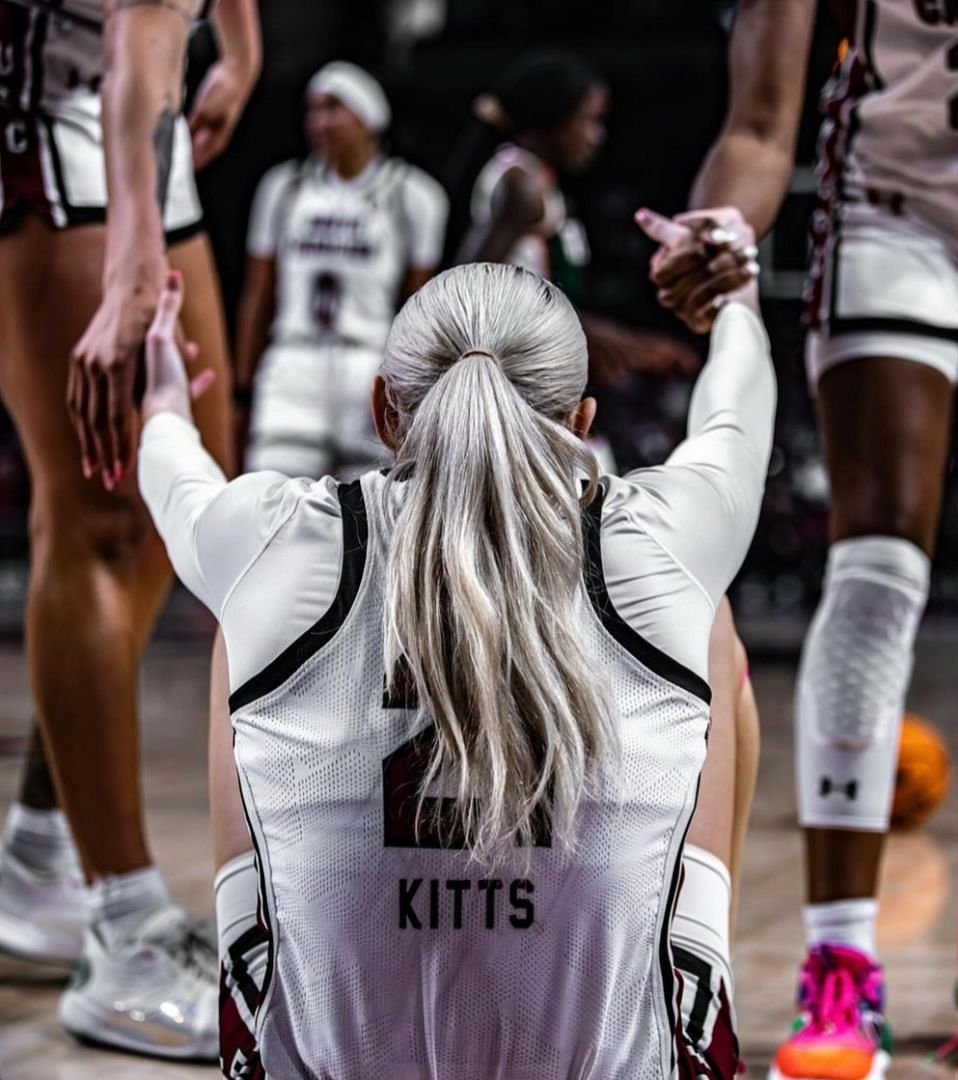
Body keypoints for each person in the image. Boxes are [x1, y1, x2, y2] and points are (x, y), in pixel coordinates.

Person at [138, 247, 773, 1075]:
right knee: (707, 623)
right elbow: (736, 412)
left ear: (384, 412)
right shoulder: (663, 539)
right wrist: (738, 302)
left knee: (245, 630)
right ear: (582, 423)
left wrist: (159, 399)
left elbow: (173, 474)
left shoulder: (274, 537)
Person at [650, 1, 958, 1074]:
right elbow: (760, 121)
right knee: (878, 573)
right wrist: (722, 229)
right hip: (900, 210)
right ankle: (841, 968)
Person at [0, 0, 257, 1059]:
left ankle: (39, 845)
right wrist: (132, 270)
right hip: (48, 109)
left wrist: (238, 42)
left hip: (136, 106)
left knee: (189, 490)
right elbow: (136, 25)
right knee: (101, 510)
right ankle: (124, 931)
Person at [234, 62, 448, 478]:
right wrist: (241, 390)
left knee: (371, 512)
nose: (317, 122)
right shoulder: (283, 188)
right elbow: (257, 294)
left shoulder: (413, 194)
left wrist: (413, 391)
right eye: (312, 110)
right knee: (270, 497)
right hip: (294, 359)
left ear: (369, 118)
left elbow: (418, 304)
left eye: (332, 108)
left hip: (370, 362)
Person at [457, 51, 695, 383]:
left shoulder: (537, 178)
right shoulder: (522, 183)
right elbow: (467, 287)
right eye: (590, 120)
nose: (597, 136)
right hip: (510, 375)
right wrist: (597, 336)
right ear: (555, 118)